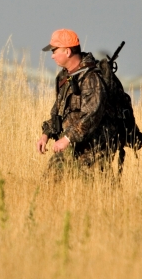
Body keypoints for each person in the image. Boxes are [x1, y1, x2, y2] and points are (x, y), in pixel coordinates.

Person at [36, 29, 118, 181]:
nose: (52, 56)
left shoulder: (90, 78)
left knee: (98, 195)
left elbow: (92, 115)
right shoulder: (64, 77)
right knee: (49, 185)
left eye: (54, 51)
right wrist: (45, 134)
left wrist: (67, 138)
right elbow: (58, 113)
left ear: (67, 52)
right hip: (70, 148)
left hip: (94, 150)